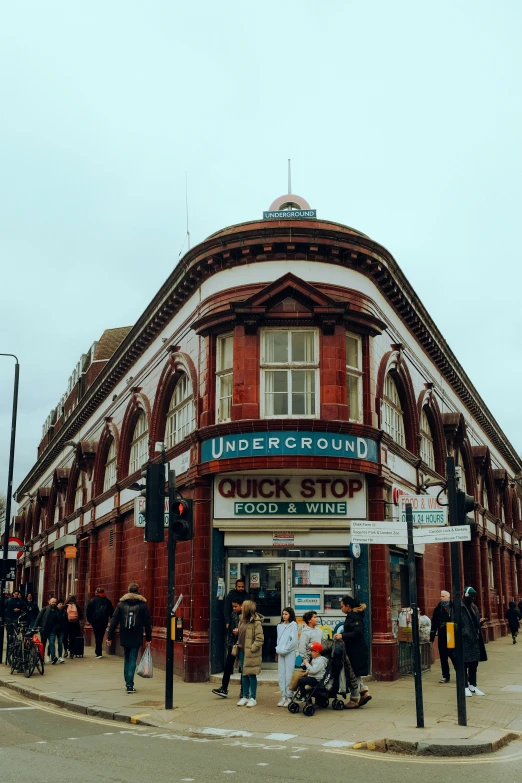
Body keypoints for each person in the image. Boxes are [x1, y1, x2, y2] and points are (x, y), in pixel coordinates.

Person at [107, 582, 152, 694]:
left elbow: (113, 621)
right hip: (136, 636)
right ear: (137, 590)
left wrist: (109, 637)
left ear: (128, 590)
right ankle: (129, 685)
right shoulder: (143, 605)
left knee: (127, 657)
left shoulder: (121, 605)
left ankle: (127, 680)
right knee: (133, 658)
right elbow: (147, 623)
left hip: (125, 635)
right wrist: (149, 638)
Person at [334, 596, 371, 706]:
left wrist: (342, 635)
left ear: (348, 606)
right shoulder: (352, 615)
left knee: (353, 673)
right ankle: (364, 692)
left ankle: (354, 699)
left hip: (356, 649)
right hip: (355, 648)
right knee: (355, 672)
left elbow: (357, 632)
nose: (341, 609)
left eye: (342, 606)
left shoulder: (354, 617)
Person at [212, 599, 244, 698]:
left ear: (242, 606)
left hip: (242, 645)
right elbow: (230, 631)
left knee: (243, 668)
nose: (234, 608)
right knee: (228, 666)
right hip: (233, 645)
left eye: (236, 606)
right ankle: (224, 688)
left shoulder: (246, 616)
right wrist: (229, 644)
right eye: (233, 606)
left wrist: (240, 631)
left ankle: (243, 690)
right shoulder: (232, 615)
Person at [288, 610, 324, 696]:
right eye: (314, 617)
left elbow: (322, 643)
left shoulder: (320, 631)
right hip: (309, 659)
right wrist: (306, 660)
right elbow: (302, 647)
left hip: (318, 658)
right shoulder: (305, 632)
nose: (317, 619)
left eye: (316, 617)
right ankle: (305, 695)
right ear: (309, 620)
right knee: (307, 679)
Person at [236, 599, 264, 708]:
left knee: (251, 675)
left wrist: (252, 648)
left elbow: (260, 639)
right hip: (242, 651)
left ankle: (253, 697)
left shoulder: (256, 622)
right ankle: (245, 696)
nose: (241, 608)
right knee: (244, 674)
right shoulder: (241, 620)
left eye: (243, 606)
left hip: (251, 652)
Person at [461, 586, 487, 696]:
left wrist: (479, 623)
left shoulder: (474, 607)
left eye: (473, 597)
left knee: (473, 664)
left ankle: (473, 685)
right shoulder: (459, 607)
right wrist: (465, 633)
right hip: (465, 641)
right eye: (470, 596)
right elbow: (457, 624)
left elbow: (474, 622)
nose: (472, 598)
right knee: (464, 664)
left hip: (475, 640)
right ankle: (464, 686)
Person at [430, 590, 455, 683]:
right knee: (443, 657)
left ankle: (461, 673)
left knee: (454, 656)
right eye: (440, 596)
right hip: (441, 634)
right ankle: (445, 676)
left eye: (443, 596)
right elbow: (434, 624)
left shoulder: (454, 607)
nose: (441, 598)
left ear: (448, 597)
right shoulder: (438, 609)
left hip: (451, 634)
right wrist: (431, 637)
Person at [276, 606, 298, 706]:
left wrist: (286, 649)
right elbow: (278, 640)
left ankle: (289, 696)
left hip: (289, 653)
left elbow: (293, 641)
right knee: (281, 674)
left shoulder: (293, 625)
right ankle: (283, 696)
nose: (284, 616)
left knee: (289, 674)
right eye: (283, 614)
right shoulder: (279, 626)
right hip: (280, 652)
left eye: (286, 614)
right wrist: (278, 650)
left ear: (290, 615)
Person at [86, 587, 114, 658]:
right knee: (101, 636)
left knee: (97, 636)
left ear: (96, 593)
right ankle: (98, 651)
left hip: (95, 622)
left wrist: (91, 621)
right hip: (104, 621)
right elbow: (111, 612)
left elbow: (88, 612)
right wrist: (111, 621)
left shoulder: (92, 601)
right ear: (103, 592)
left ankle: (98, 652)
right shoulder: (107, 601)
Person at [35, 597, 60, 663]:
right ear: (49, 602)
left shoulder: (57, 611)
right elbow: (38, 618)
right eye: (52, 602)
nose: (54, 603)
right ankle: (42, 658)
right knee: (43, 645)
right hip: (44, 630)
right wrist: (35, 627)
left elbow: (59, 621)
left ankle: (53, 657)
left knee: (52, 643)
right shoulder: (44, 609)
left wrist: (56, 628)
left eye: (55, 602)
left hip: (52, 630)